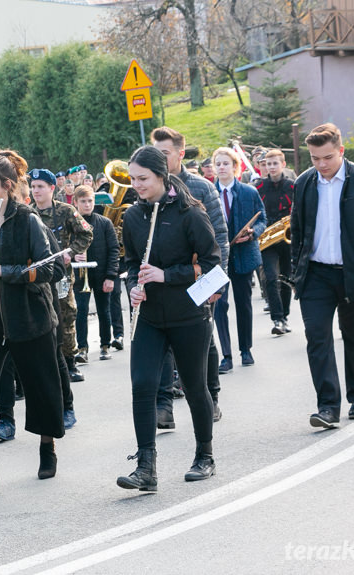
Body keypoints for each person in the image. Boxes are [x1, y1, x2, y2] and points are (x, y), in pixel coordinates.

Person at [117, 146, 221, 491]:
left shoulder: (191, 213)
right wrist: (133, 286)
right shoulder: (132, 217)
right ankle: (146, 466)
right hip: (148, 316)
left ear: (161, 175)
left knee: (194, 387)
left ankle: (204, 456)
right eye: (132, 179)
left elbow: (212, 265)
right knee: (142, 385)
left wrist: (167, 276)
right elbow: (131, 263)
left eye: (142, 178)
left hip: (188, 315)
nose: (136, 185)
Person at [0, 150, 64, 489]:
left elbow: (52, 267)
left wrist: (4, 271)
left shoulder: (27, 220)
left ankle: (47, 449)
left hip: (28, 315)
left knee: (41, 387)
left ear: (7, 185)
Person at [290, 123, 354, 429]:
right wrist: (298, 271)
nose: (321, 164)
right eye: (314, 158)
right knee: (317, 338)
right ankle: (328, 407)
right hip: (316, 275)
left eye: (327, 157)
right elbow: (297, 231)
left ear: (341, 151)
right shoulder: (304, 183)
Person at [151, 127, 228, 425]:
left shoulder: (201, 188)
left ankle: (212, 398)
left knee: (204, 340)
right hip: (163, 279)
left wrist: (217, 282)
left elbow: (219, 237)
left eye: (165, 154)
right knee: (164, 340)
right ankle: (165, 408)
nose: (158, 159)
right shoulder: (148, 185)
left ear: (180, 154)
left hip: (197, 277)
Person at [32, 167, 93, 383]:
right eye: (33, 187)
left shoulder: (66, 211)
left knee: (66, 315)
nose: (36, 191)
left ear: (51, 188)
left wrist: (71, 251)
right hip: (37, 279)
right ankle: (47, 363)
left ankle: (70, 362)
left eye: (40, 187)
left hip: (61, 277)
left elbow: (86, 233)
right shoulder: (28, 214)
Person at [212, 146, 266, 372]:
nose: (222, 167)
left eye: (226, 163)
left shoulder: (249, 192)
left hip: (244, 255)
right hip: (216, 258)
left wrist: (254, 232)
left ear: (236, 167)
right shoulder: (208, 192)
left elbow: (262, 218)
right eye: (218, 164)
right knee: (219, 305)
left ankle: (246, 349)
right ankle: (226, 355)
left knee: (243, 304)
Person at [73, 185, 118, 361]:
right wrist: (73, 254)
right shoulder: (71, 223)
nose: (87, 204)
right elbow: (63, 247)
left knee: (103, 311)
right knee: (81, 311)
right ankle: (82, 348)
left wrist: (110, 276)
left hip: (101, 274)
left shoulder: (104, 223)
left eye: (90, 201)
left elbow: (114, 250)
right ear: (75, 203)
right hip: (79, 276)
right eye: (83, 201)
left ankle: (105, 345)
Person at [256, 149, 295, 335]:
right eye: (267, 164)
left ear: (283, 165)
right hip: (267, 238)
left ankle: (285, 317)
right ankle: (277, 318)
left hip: (287, 237)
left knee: (286, 278)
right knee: (270, 277)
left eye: (274, 163)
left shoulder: (292, 186)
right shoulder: (258, 188)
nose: (271, 167)